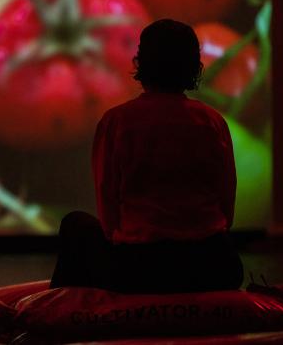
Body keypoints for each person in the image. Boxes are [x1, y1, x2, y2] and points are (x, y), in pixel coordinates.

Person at [50, 19, 243, 294]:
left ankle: (58, 321)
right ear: (194, 67)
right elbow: (227, 206)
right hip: (213, 265)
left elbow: (109, 214)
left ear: (141, 63)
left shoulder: (116, 122)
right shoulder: (212, 121)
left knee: (74, 224)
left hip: (139, 268)